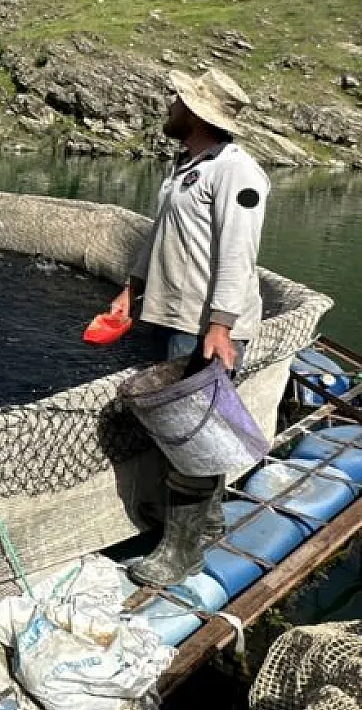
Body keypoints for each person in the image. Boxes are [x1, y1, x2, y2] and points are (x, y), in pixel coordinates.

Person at [108, 67, 270, 587]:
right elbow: (160, 235)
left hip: (204, 325)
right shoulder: (187, 166)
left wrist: (220, 326)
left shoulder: (237, 172)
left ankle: (181, 556)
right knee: (190, 427)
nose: (170, 105)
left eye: (177, 100)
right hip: (172, 315)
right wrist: (132, 288)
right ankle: (209, 520)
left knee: (193, 434)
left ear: (197, 115)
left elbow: (238, 257)